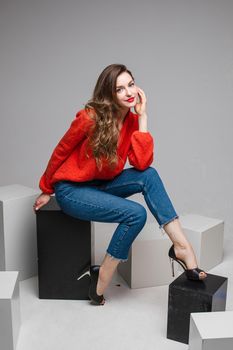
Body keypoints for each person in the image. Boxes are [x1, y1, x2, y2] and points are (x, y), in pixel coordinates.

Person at [33, 63, 207, 306]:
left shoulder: (131, 121)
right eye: (120, 89)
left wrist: (143, 118)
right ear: (109, 94)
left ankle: (181, 247)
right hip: (72, 191)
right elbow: (61, 151)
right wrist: (46, 188)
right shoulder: (89, 117)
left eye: (131, 84)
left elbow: (142, 164)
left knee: (150, 175)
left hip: (101, 185)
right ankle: (103, 275)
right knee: (136, 214)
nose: (129, 92)